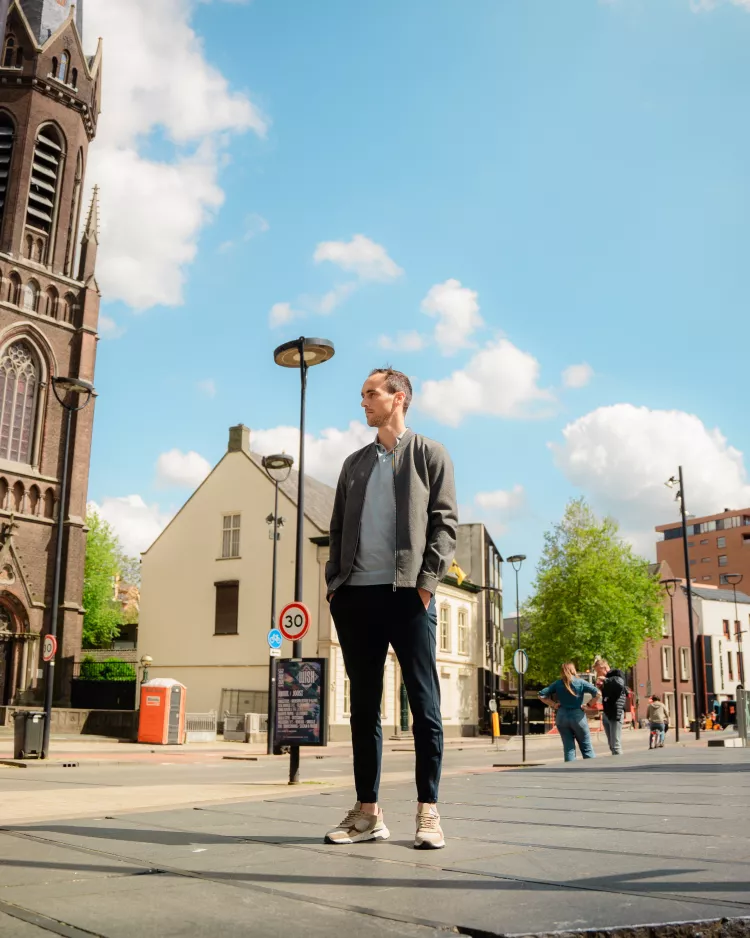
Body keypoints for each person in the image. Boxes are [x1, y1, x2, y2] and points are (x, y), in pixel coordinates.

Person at [324, 367, 458, 850]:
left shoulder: (429, 455)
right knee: (363, 708)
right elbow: (337, 528)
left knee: (425, 706)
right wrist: (335, 586)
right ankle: (368, 814)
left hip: (409, 595)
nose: (363, 402)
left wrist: (426, 585)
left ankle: (428, 812)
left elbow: (445, 525)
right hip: (356, 596)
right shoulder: (354, 463)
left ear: (397, 398)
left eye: (371, 394)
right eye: (362, 394)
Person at [539, 663, 602, 762]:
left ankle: (570, 772)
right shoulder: (580, 682)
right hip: (578, 716)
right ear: (573, 670)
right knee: (586, 747)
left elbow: (541, 695)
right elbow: (598, 693)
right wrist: (589, 705)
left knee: (569, 749)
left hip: (562, 716)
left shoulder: (558, 683)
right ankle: (592, 770)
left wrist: (554, 704)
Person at [601, 667, 628, 755]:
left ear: (604, 668)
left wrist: (606, 680)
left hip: (615, 712)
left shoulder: (617, 674)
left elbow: (619, 684)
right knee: (611, 745)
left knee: (616, 745)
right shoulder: (607, 680)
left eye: (598, 670)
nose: (598, 673)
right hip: (607, 712)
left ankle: (619, 766)